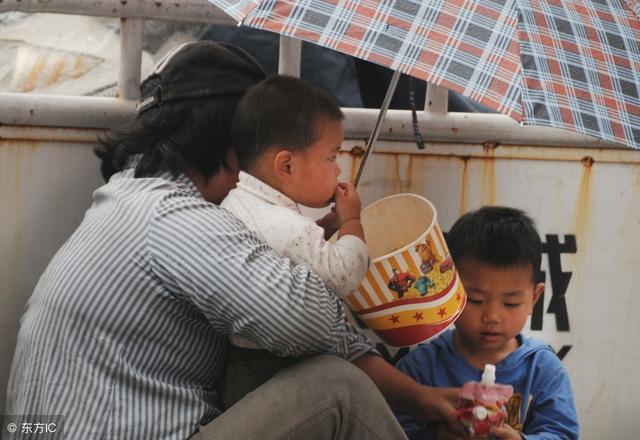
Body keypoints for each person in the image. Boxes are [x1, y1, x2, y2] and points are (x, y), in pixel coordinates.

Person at [6, 41, 462, 440]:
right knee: (336, 389)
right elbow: (315, 325)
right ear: (231, 141)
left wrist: (422, 400)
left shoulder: (131, 195)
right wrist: (344, 235)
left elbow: (323, 334)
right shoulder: (179, 219)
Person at [218, 74, 369, 408]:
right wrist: (352, 221)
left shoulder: (239, 204)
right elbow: (344, 274)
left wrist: (330, 227)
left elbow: (298, 253)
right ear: (286, 164)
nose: (338, 171)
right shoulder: (283, 224)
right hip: (275, 371)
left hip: (239, 367)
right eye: (331, 157)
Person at [395, 206, 579, 439]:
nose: (492, 317)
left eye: (510, 303)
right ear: (451, 292)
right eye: (476, 300)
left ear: (534, 298)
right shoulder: (420, 367)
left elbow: (562, 433)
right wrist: (436, 434)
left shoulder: (542, 369)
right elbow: (384, 428)